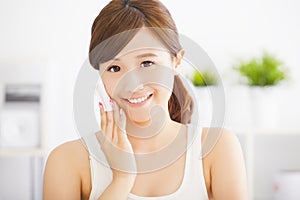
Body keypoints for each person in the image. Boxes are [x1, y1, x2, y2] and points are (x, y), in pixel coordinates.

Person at [43, 0, 248, 199]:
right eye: (114, 68)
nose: (132, 84)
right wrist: (122, 179)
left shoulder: (217, 149)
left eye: (147, 63)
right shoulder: (66, 161)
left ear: (176, 61)